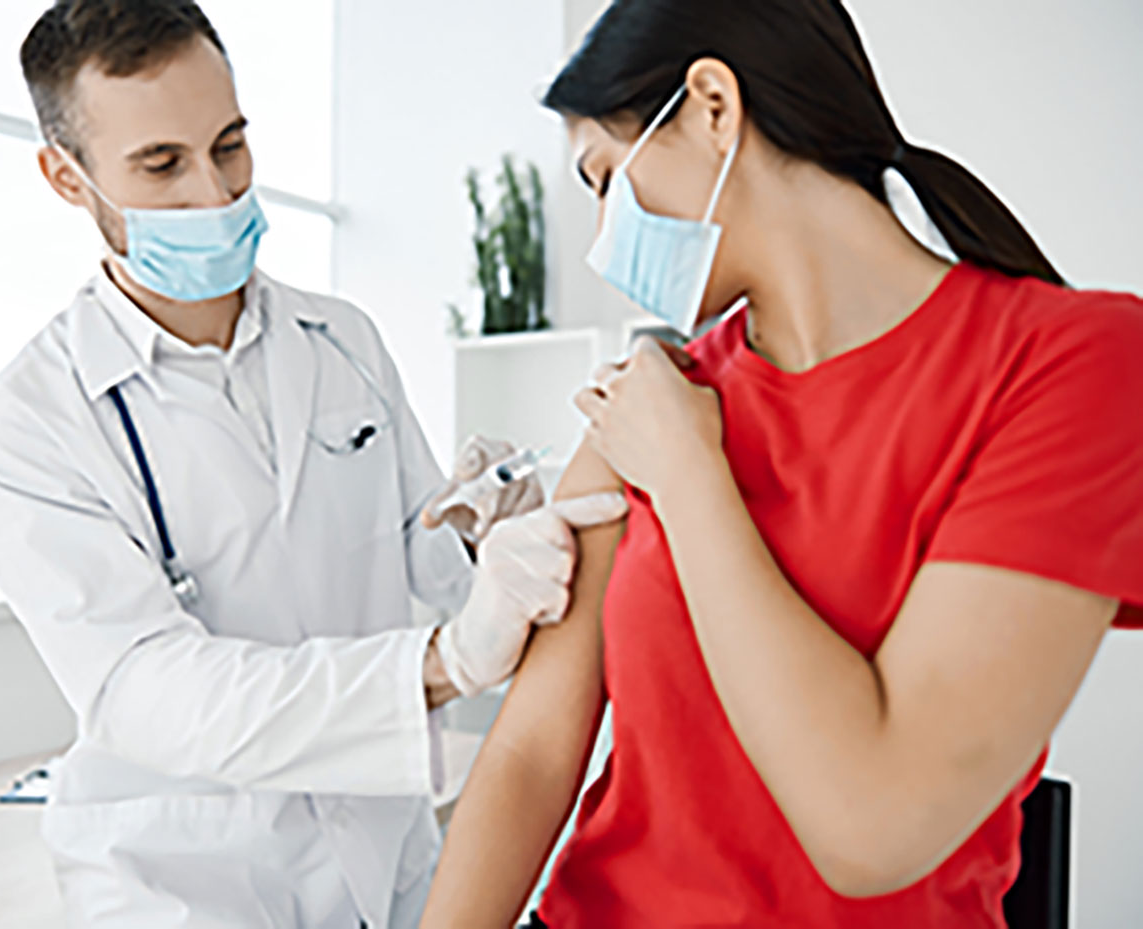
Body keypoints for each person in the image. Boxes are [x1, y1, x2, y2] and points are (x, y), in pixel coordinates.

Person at [420, 1, 1143, 927]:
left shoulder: (1069, 367)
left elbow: (872, 824)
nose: (607, 240)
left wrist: (690, 479)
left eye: (607, 179)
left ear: (714, 106)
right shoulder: (657, 397)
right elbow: (532, 751)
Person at [0, 2, 627, 926]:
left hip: (386, 857)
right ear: (66, 178)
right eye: (162, 164)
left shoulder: (342, 341)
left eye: (230, 145)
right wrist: (443, 661)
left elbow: (414, 557)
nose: (215, 193)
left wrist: (481, 539)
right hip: (183, 883)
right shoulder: (24, 424)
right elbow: (153, 693)